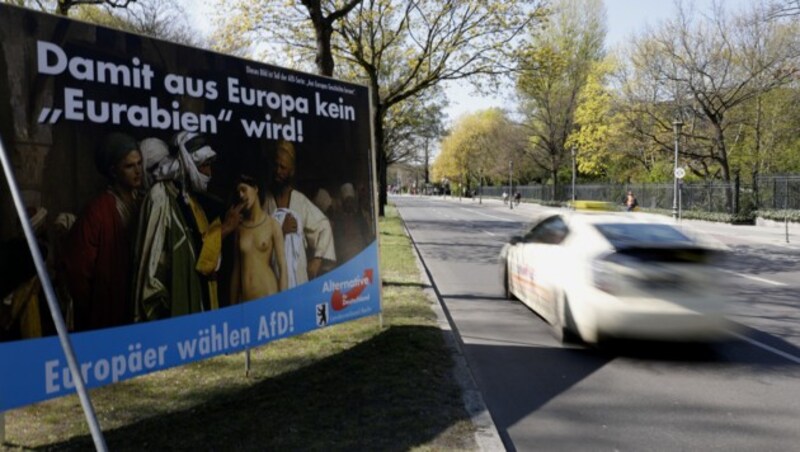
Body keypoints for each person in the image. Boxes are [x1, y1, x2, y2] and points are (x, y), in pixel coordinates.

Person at [133, 132, 242, 321]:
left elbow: (198, 253)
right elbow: (154, 272)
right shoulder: (161, 197)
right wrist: (225, 228)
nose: (209, 173)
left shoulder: (189, 198)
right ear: (186, 164)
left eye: (209, 166)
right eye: (203, 166)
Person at [62, 132, 142, 331]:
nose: (138, 171)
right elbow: (78, 270)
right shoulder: (98, 211)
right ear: (114, 171)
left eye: (139, 163)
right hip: (108, 312)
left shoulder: (143, 203)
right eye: (129, 166)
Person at [263, 140, 335, 288]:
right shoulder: (266, 201)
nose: (278, 171)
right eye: (276, 166)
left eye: (283, 167)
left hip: (298, 276)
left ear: (291, 171)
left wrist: (317, 259)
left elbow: (323, 226)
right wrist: (280, 231)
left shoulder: (300, 201)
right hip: (273, 277)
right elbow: (257, 239)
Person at [230, 174, 287, 303]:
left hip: (268, 294)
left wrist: (284, 303)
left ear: (255, 188)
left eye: (244, 189)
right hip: (246, 300)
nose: (241, 195)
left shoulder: (273, 225)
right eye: (238, 192)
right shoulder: (239, 228)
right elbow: (236, 271)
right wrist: (232, 307)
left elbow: (283, 267)